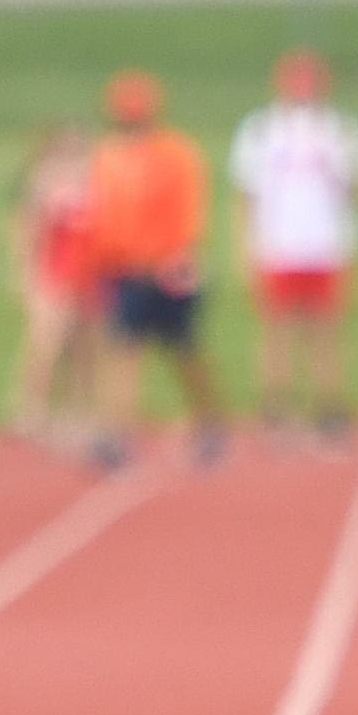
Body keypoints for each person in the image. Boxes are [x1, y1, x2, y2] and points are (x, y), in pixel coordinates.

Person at [230, 48, 358, 443]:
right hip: (278, 245)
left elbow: (357, 189)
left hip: (325, 245)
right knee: (276, 331)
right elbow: (245, 195)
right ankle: (276, 407)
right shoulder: (261, 131)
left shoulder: (339, 131)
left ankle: (327, 407)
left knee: (324, 330)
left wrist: (338, 172)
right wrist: (245, 248)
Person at [85, 69, 227, 468]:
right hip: (125, 269)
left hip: (168, 268)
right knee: (123, 348)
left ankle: (209, 421)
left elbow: (189, 207)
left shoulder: (175, 152)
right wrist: (99, 262)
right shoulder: (108, 155)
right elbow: (102, 214)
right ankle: (116, 434)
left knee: (184, 349)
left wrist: (182, 254)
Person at [8, 123, 101, 442]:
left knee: (84, 347)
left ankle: (78, 409)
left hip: (89, 274)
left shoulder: (96, 178)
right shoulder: (44, 179)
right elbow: (29, 227)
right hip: (55, 272)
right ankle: (31, 410)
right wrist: (28, 273)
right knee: (45, 343)